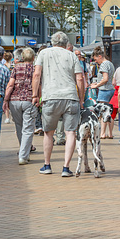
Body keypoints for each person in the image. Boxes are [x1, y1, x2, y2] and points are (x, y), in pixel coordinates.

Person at [32, 31, 84, 177]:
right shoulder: (72, 55)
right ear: (66, 43)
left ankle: (47, 165)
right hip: (70, 97)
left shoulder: (43, 54)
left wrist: (35, 95)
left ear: (52, 41)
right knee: (70, 133)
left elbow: (36, 75)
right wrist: (81, 99)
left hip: (50, 96)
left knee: (48, 133)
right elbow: (79, 79)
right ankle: (66, 167)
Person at [4, 47, 38, 165]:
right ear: (34, 58)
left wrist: (5, 99)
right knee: (28, 129)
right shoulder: (36, 69)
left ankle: (24, 151)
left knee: (19, 126)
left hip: (14, 100)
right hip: (29, 100)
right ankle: (23, 155)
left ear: (22, 57)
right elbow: (39, 83)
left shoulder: (16, 68)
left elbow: (10, 84)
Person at [90, 48, 115, 139]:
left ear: (100, 56)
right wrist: (97, 83)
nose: (96, 62)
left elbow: (105, 78)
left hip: (104, 90)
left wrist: (96, 86)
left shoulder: (104, 65)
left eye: (96, 59)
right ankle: (110, 133)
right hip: (110, 89)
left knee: (103, 112)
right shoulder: (110, 63)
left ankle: (103, 133)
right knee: (110, 112)